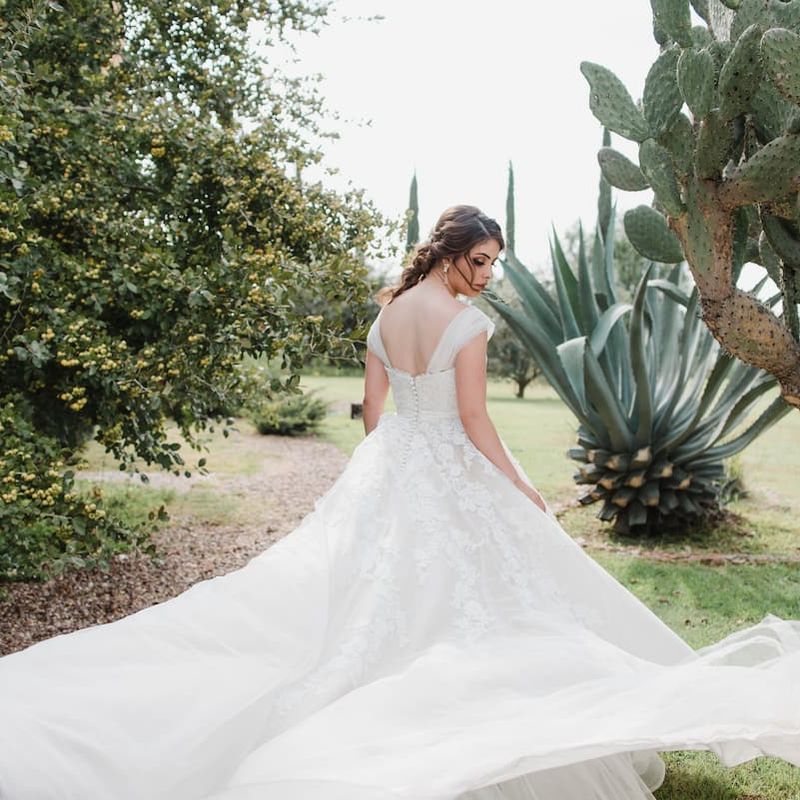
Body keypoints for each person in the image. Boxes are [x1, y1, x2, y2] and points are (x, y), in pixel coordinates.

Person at [0, 205, 798, 800]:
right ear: (450, 254)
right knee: (471, 595)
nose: (487, 277)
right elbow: (478, 420)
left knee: (381, 588)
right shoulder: (467, 325)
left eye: (492, 265)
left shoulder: (385, 315)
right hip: (448, 463)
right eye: (479, 261)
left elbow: (375, 413)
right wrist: (521, 488)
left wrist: (389, 469)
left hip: (395, 466)